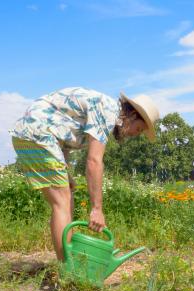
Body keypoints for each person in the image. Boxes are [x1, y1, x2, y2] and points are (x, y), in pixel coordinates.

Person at [9, 87, 159, 261]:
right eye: (139, 129)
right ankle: (67, 269)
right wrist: (97, 209)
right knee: (62, 202)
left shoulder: (103, 109)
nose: (135, 135)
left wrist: (66, 173)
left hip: (31, 132)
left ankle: (68, 261)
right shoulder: (108, 110)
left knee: (66, 198)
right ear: (132, 115)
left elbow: (62, 135)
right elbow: (94, 161)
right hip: (38, 133)